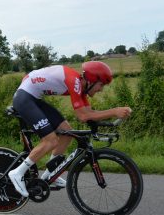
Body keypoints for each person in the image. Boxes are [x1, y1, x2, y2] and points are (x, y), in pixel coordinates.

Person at [7, 61, 132, 197]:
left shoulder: (81, 87)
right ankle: (17, 173)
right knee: (51, 140)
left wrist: (108, 119)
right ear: (91, 80)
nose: (101, 89)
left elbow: (90, 114)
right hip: (24, 99)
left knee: (67, 132)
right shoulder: (75, 82)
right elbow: (84, 116)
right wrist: (114, 111)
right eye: (101, 84)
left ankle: (50, 174)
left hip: (33, 98)